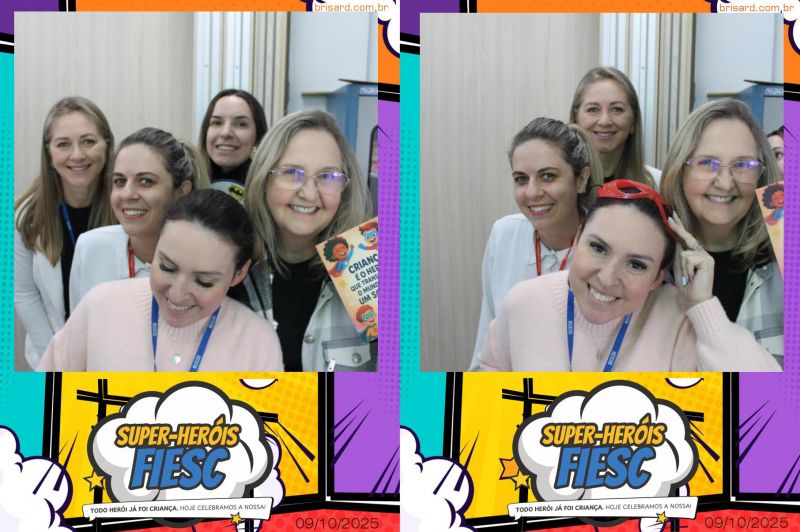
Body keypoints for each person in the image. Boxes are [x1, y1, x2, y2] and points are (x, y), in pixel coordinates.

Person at [479, 180, 781, 372]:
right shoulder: (522, 304)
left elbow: (766, 408)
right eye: (598, 248)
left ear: (658, 277)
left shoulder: (676, 318)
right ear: (578, 238)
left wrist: (702, 305)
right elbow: (482, 413)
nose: (607, 278)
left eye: (636, 265)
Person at [38, 189, 283, 372]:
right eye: (167, 267)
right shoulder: (100, 307)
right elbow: (36, 405)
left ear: (239, 273)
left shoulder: (258, 342)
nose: (177, 294)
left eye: (204, 282)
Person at [241, 109, 374, 371]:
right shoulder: (232, 266)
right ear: (263, 179)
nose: (310, 194)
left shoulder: (369, 268)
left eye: (328, 177)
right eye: (292, 173)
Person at [467, 118, 602, 371]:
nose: (531, 192)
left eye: (548, 176)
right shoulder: (504, 235)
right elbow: (487, 339)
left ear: (581, 179)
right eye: (521, 179)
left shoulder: (606, 248)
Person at [660, 99, 783, 366]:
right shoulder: (652, 264)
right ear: (680, 170)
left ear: (761, 176)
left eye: (743, 166)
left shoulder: (784, 268)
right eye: (707, 163)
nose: (726, 183)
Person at [15, 96, 116, 369]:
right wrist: (57, 359)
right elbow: (24, 294)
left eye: (88, 141)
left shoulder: (126, 208)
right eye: (63, 144)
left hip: (113, 357)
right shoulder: (24, 216)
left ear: (107, 145)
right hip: (51, 355)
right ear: (49, 154)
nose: (77, 155)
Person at [69, 128, 210, 310]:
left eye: (146, 181)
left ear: (182, 191)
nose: (127, 194)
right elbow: (80, 324)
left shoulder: (208, 260)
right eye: (120, 181)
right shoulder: (90, 248)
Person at [570, 67, 659, 186]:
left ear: (633, 122)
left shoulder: (658, 185)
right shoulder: (557, 184)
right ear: (575, 119)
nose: (605, 121)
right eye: (593, 109)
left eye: (617, 109)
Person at [199, 89, 268, 201]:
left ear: (258, 138)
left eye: (241, 124)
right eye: (217, 122)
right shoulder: (185, 184)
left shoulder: (269, 191)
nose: (226, 133)